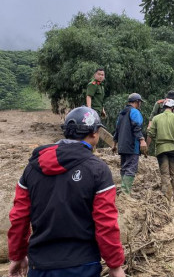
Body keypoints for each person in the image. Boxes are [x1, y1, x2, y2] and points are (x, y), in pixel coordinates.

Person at [7, 106, 125, 277]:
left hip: (40, 266)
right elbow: (106, 223)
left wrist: (17, 256)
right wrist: (115, 266)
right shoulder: (98, 170)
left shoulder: (31, 169)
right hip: (83, 265)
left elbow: (19, 218)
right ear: (94, 133)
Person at [146, 99, 174, 204]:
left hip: (161, 150)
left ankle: (167, 198)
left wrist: (146, 147)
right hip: (173, 150)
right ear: (173, 108)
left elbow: (150, 134)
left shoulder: (156, 118)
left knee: (165, 174)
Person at [112, 93, 147, 196]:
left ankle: (124, 191)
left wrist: (114, 145)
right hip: (132, 146)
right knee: (131, 168)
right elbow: (136, 127)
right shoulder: (135, 112)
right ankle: (125, 193)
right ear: (137, 102)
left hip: (122, 146)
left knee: (124, 168)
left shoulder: (122, 113)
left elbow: (117, 130)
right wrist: (142, 140)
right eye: (140, 102)